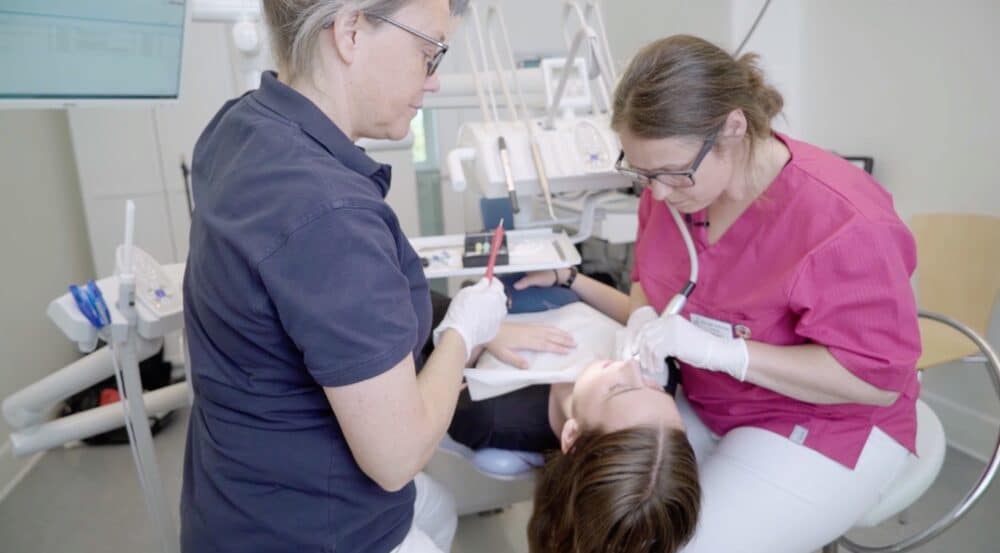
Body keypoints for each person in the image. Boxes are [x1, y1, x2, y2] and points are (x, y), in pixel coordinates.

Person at [179, 1, 512, 552]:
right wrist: (464, 331)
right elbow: (397, 458)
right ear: (352, 31)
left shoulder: (239, 125)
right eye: (427, 51)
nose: (434, 81)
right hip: (309, 533)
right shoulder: (330, 213)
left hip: (234, 503)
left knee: (439, 509)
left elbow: (312, 300)